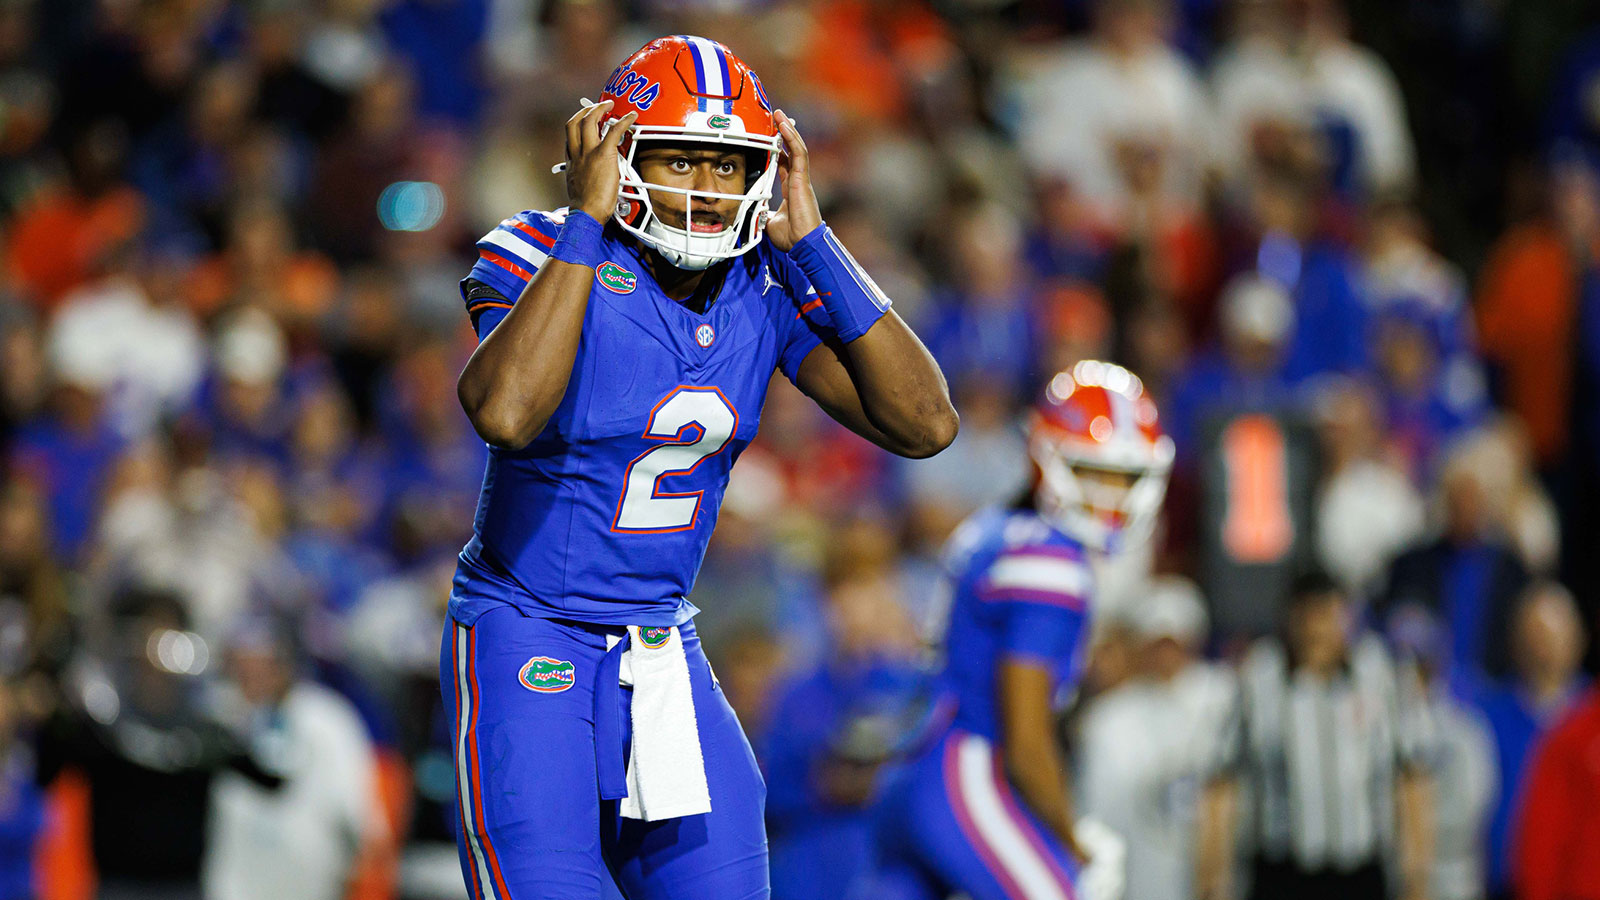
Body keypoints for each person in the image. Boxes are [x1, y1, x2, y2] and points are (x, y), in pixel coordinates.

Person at [441, 36, 957, 900]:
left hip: (661, 643)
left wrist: (815, 239)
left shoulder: (765, 280)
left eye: (728, 165)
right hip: (530, 633)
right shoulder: (536, 249)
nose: (706, 190)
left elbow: (925, 421)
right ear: (614, 151)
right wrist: (585, 225)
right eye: (679, 159)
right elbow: (505, 411)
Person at [866, 360, 1174, 900]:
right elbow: (1027, 744)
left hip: (912, 768)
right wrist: (1073, 842)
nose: (1111, 495)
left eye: (1124, 477)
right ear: (1047, 458)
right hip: (964, 773)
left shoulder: (996, 528)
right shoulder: (1049, 560)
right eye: (1093, 472)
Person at [1197, 571, 1434, 900]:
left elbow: (1411, 777)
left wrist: (1417, 873)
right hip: (1282, 871)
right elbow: (1223, 781)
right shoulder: (1259, 677)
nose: (1317, 628)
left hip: (1359, 871)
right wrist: (1212, 876)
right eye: (1308, 614)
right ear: (1291, 618)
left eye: (1327, 613)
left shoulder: (1381, 673)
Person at [1075, 576, 1234, 900]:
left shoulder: (1219, 695)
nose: (1166, 656)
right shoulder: (1108, 718)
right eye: (1156, 644)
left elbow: (1225, 791)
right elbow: (1096, 815)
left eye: (1175, 643)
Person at [1474, 582, 1589, 900]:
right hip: (1504, 883)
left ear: (1578, 639)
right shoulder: (1486, 717)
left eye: (1552, 636)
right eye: (1533, 635)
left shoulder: (1591, 719)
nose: (1543, 647)